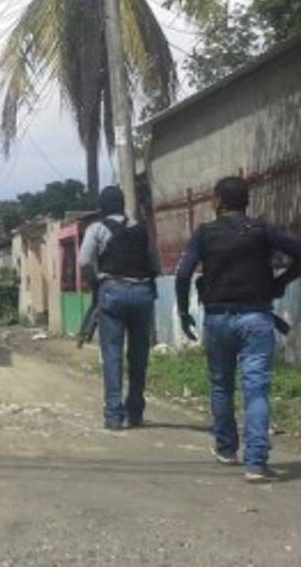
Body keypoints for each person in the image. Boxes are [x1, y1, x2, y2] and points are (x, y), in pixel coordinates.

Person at [175, 176, 301, 482]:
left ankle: (227, 449)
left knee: (221, 385)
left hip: (217, 318)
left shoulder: (204, 233)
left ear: (218, 201)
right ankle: (256, 464)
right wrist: (280, 283)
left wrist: (183, 311)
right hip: (256, 318)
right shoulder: (263, 230)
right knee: (256, 389)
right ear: (247, 201)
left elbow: (183, 274)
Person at [78, 186, 157, 430]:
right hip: (143, 293)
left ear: (102, 207)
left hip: (113, 292)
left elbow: (84, 261)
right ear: (122, 205)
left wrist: (97, 286)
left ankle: (114, 415)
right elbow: (153, 262)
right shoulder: (140, 229)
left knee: (113, 354)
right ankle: (136, 412)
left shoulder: (97, 228)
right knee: (139, 354)